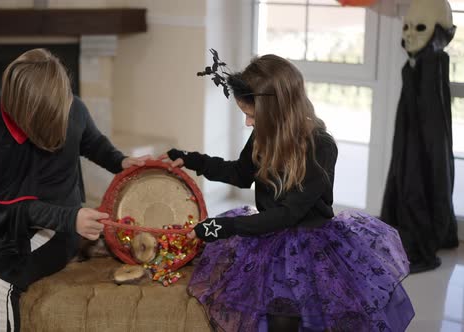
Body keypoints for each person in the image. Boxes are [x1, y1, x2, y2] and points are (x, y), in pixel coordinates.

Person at [161, 54, 414, 331]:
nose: (248, 124)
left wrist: (220, 227)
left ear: (277, 110)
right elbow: (240, 174)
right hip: (269, 238)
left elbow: (287, 214)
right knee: (274, 315)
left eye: (251, 116)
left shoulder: (320, 146)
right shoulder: (262, 135)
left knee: (292, 317)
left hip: (309, 245)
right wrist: (192, 160)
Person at [0, 48, 149, 332]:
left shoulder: (71, 106)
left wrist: (120, 160)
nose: (67, 110)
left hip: (56, 232)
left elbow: (91, 141)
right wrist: (70, 217)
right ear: (28, 112)